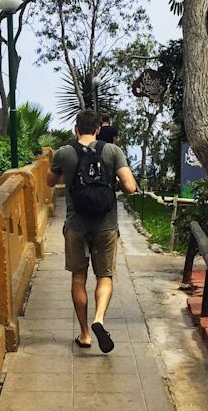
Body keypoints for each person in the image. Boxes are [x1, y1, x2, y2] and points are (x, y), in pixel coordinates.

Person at [45, 109, 137, 353]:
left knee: (78, 278)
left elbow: (49, 182)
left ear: (76, 128)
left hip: (76, 225)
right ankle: (99, 319)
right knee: (104, 276)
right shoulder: (112, 151)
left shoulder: (64, 153)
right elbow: (130, 187)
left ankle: (85, 334)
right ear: (98, 130)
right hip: (105, 225)